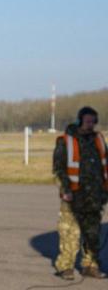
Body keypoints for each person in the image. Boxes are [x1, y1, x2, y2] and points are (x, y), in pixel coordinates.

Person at [53, 106, 107, 279]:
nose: (90, 124)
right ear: (79, 120)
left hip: (94, 197)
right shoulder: (65, 140)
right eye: (87, 121)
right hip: (74, 196)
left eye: (93, 121)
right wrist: (66, 190)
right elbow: (59, 168)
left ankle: (90, 265)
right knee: (70, 232)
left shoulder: (98, 139)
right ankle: (65, 267)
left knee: (93, 234)